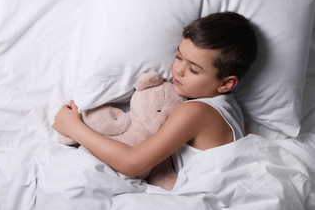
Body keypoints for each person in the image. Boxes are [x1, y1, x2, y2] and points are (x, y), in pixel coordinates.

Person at [52, 11, 258, 190]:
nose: (178, 70)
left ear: (226, 84)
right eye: (179, 56)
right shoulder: (231, 107)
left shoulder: (196, 111)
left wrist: (74, 127)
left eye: (194, 69)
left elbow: (132, 162)